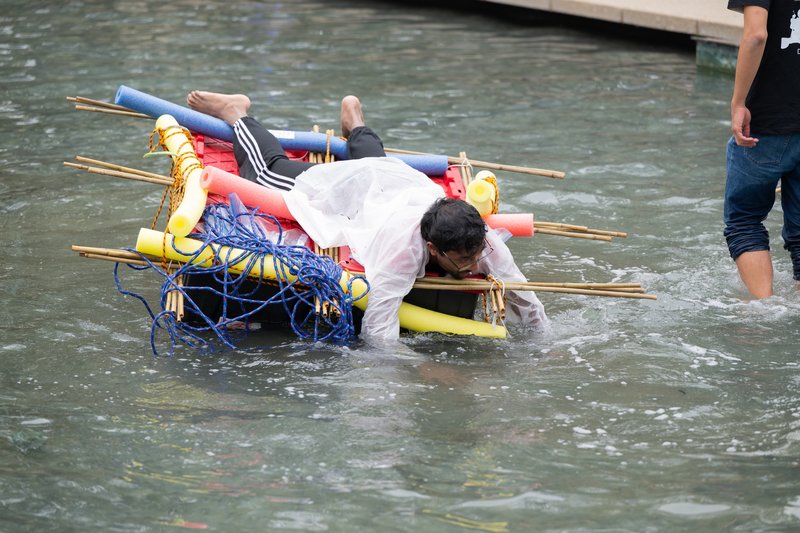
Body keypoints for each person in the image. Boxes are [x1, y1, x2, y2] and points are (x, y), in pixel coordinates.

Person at [187, 91, 548, 341]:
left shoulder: (482, 243)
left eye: (475, 254)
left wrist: (545, 346)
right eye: (464, 259)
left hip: (398, 181)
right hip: (358, 194)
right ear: (432, 248)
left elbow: (525, 300)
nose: (474, 264)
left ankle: (356, 123)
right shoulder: (402, 251)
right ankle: (237, 111)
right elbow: (379, 323)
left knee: (376, 162)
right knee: (268, 173)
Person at [723, 0, 800, 298]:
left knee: (744, 220)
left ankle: (766, 309)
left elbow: (756, 34)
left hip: (768, 121)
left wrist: (739, 102)